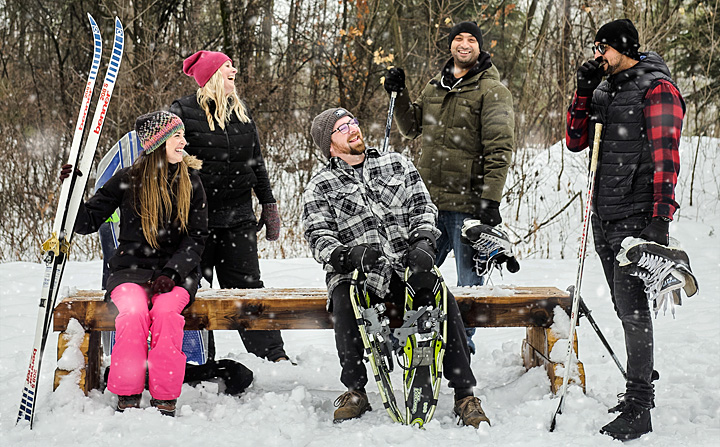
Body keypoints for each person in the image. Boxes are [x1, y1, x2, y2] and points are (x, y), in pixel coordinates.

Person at [302, 107, 490, 428]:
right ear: (329, 143)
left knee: (440, 295)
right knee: (345, 297)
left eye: (353, 122)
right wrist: (350, 255)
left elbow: (423, 207)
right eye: (342, 127)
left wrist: (423, 243)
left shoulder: (397, 164)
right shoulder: (321, 184)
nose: (353, 129)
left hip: (407, 266)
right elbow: (318, 236)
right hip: (359, 274)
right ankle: (355, 390)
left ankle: (464, 393)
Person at [566, 19, 685, 440]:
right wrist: (582, 92)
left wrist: (660, 220)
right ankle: (640, 380)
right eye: (595, 47)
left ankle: (639, 405)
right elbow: (575, 140)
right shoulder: (603, 88)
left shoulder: (657, 89)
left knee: (633, 309)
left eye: (604, 48)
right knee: (622, 304)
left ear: (624, 48)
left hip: (637, 215)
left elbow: (666, 156)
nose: (598, 55)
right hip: (604, 213)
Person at [63, 111, 208, 416]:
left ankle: (165, 396)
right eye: (176, 136)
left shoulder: (191, 182)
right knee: (132, 313)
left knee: (167, 314)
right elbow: (87, 221)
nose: (183, 142)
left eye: (182, 135)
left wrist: (173, 271)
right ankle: (127, 393)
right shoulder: (128, 179)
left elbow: (196, 238)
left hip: (177, 274)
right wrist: (71, 193)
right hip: (130, 271)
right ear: (157, 143)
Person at [383, 21, 515, 353]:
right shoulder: (434, 87)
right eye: (459, 38)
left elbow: (500, 149)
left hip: (468, 206)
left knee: (468, 284)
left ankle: (461, 349)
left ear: (481, 48)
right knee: (411, 273)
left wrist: (491, 199)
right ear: (450, 45)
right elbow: (411, 127)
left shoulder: (492, 90)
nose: (465, 44)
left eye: (472, 39)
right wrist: (399, 95)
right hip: (428, 204)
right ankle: (406, 339)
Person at [170, 50, 290, 362]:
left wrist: (268, 203)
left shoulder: (241, 114)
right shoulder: (183, 110)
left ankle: (272, 356)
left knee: (248, 290)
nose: (233, 71)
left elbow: (256, 162)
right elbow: (168, 158)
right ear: (210, 75)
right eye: (227, 67)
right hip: (196, 221)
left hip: (238, 218)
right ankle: (194, 358)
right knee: (189, 290)